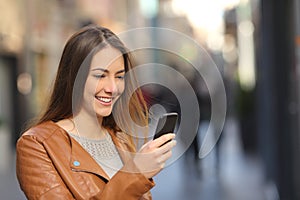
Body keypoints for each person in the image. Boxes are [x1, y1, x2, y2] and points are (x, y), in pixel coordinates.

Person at [16, 25, 176, 200]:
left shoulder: (119, 138)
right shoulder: (37, 145)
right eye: (100, 75)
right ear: (73, 77)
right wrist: (136, 173)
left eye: (119, 76)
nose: (112, 88)